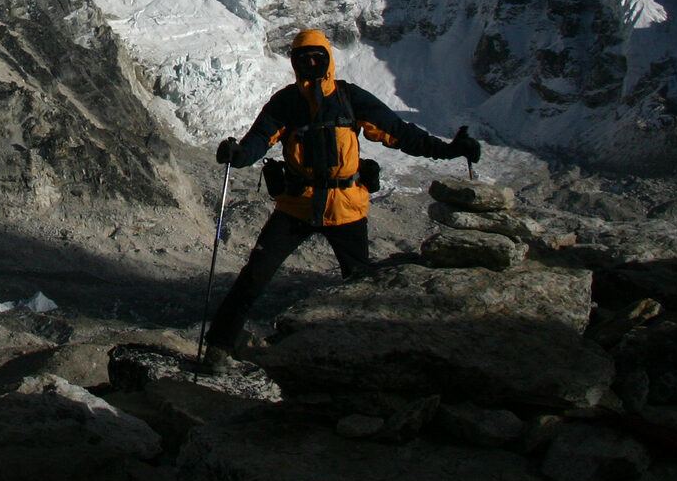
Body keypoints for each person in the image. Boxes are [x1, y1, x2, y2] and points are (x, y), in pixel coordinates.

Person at [201, 28, 480, 370]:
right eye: (304, 59)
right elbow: (259, 140)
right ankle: (218, 348)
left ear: (328, 60)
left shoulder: (350, 98)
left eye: (318, 57)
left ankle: (366, 357)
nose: (311, 63)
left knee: (359, 285)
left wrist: (449, 150)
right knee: (254, 277)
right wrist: (239, 154)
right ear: (294, 64)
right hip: (298, 204)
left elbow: (399, 133)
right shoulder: (286, 103)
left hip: (345, 205)